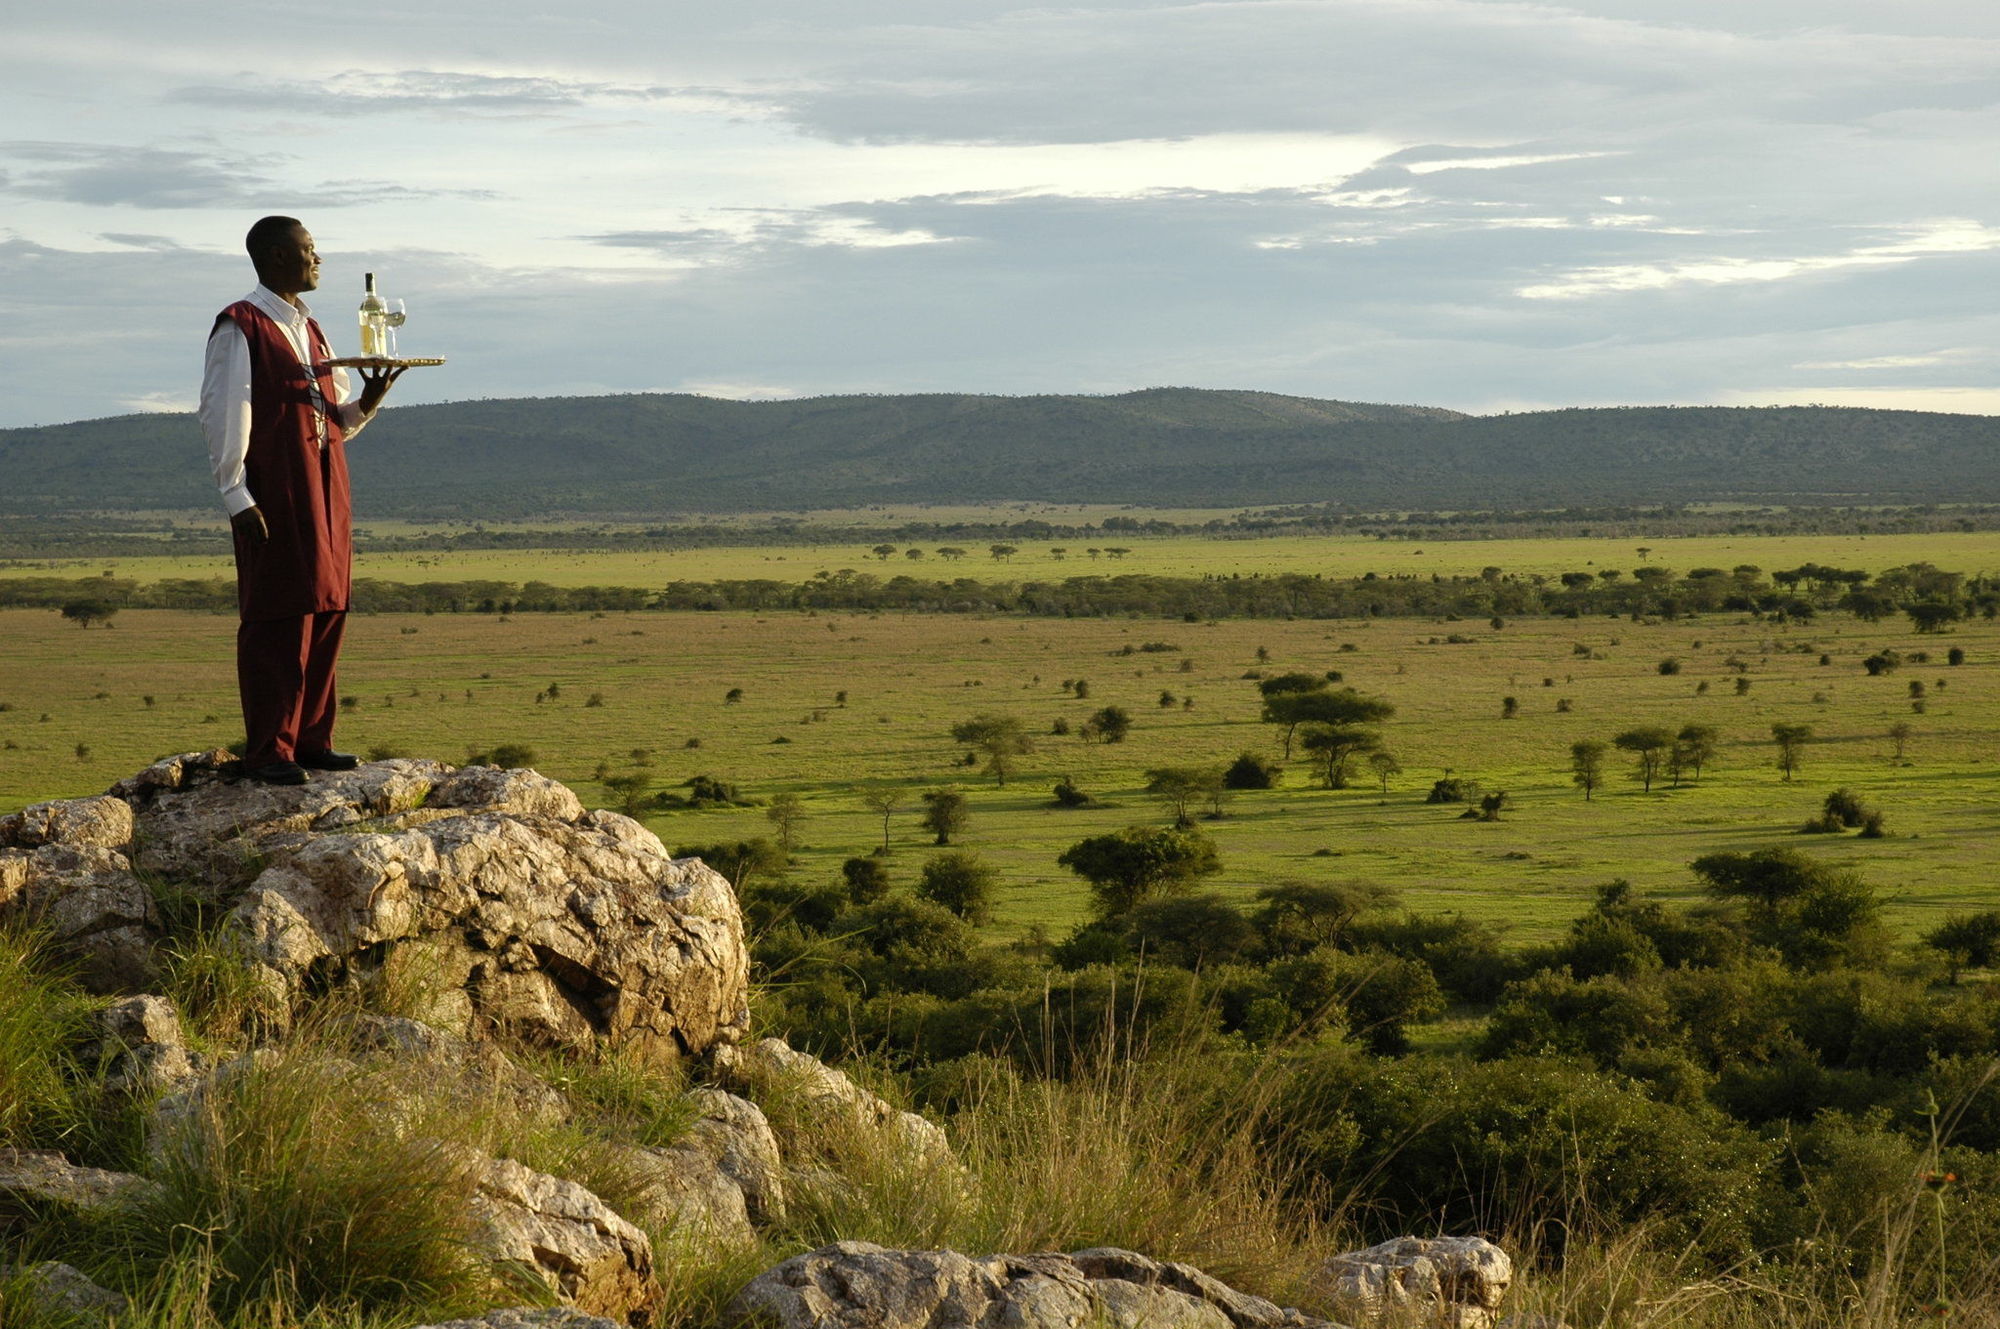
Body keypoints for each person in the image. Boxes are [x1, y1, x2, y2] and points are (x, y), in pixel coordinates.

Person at [199, 216, 404, 785]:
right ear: (273, 255)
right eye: (309, 250)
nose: (319, 260)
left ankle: (312, 739)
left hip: (326, 481)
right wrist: (236, 493)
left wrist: (371, 400)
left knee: (329, 605)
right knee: (279, 612)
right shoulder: (241, 325)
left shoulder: (312, 330)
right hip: (276, 485)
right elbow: (224, 411)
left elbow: (335, 420)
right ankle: (269, 749)